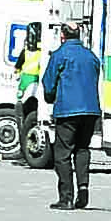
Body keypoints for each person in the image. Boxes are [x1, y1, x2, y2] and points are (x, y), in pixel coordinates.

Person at [41, 21, 101, 210]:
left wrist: (50, 98)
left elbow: (48, 82)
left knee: (63, 154)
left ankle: (66, 197)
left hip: (68, 111)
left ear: (62, 36)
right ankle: (83, 191)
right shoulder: (91, 57)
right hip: (90, 111)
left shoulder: (60, 55)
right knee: (83, 149)